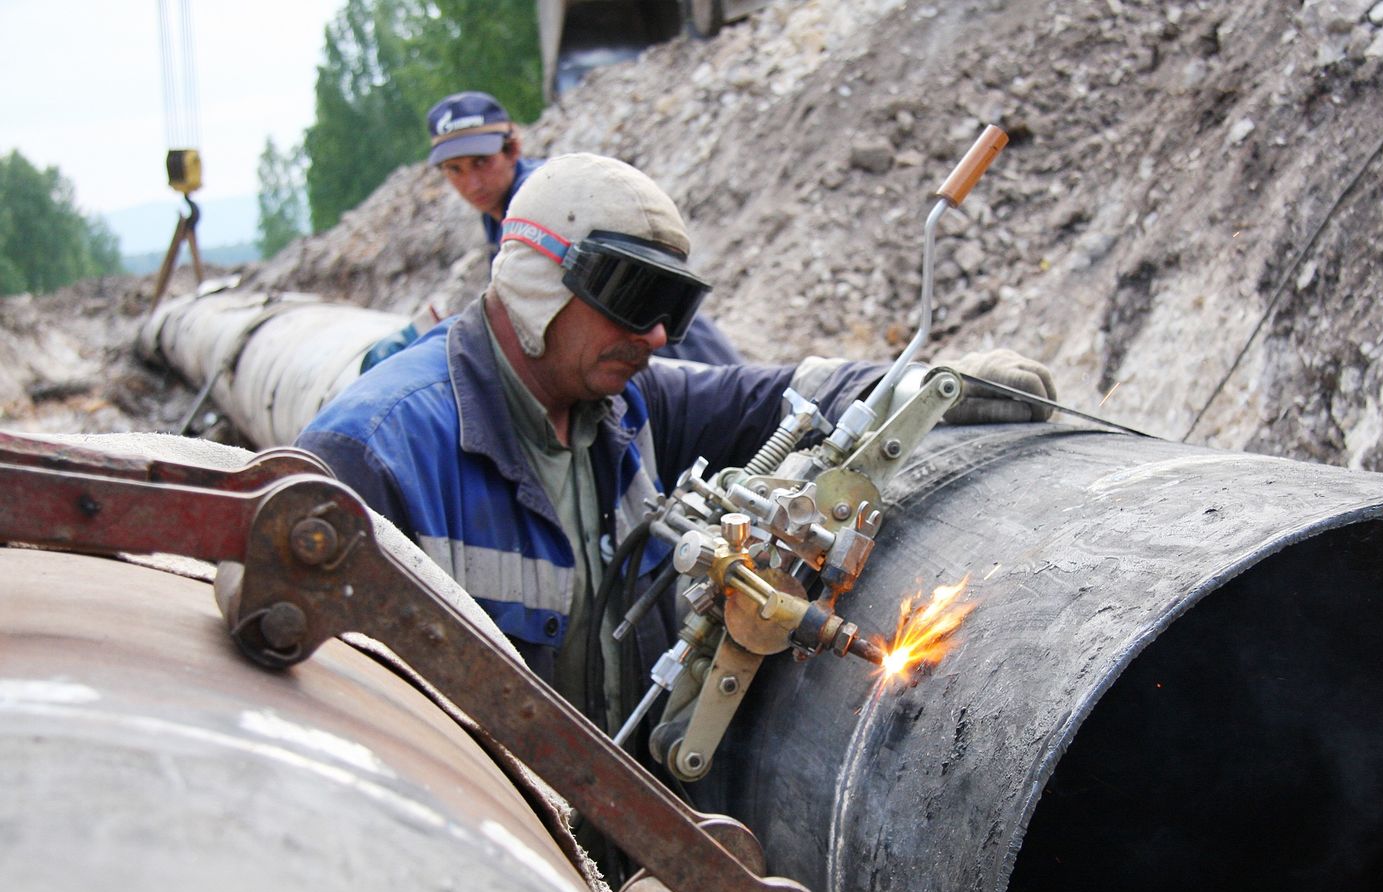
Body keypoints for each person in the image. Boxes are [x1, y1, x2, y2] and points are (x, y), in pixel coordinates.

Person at [297, 153, 1055, 740]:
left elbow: (779, 393)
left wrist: (919, 389)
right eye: (633, 299)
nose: (656, 336)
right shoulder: (375, 458)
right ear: (538, 281)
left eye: (671, 307)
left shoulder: (624, 406)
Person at [425, 89, 744, 368]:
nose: (473, 182)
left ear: (513, 149)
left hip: (655, 334)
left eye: (481, 162)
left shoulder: (541, 206)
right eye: (455, 170)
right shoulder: (499, 210)